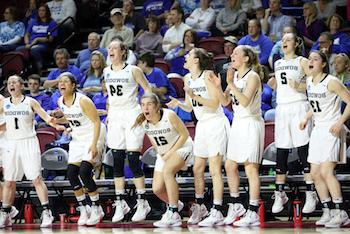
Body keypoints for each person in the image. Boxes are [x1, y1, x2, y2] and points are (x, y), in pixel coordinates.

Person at [167, 48, 230, 226]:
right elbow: (189, 107)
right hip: (201, 124)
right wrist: (178, 104)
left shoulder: (208, 75)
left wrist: (195, 96)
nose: (185, 58)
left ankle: (217, 210)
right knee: (197, 169)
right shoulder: (187, 79)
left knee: (215, 169)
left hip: (216, 122)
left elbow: (216, 103)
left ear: (196, 60)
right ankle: (201, 206)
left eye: (188, 56)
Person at [208, 45, 264, 226]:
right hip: (238, 122)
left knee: (250, 169)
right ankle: (236, 205)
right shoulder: (235, 77)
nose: (231, 55)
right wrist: (219, 87)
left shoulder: (252, 76)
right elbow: (225, 103)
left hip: (251, 121)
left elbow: (246, 101)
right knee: (230, 165)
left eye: (236, 53)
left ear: (246, 58)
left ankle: (254, 211)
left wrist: (230, 83)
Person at [0, 75, 65, 228]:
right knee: (9, 182)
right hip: (12, 144)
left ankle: (46, 212)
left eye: (14, 82)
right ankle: (5, 213)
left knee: (36, 179)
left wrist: (56, 124)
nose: (11, 84)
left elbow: (46, 117)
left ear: (22, 85)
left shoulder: (30, 102)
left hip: (28, 142)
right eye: (9, 83)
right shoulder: (4, 104)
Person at [300, 50, 350, 228]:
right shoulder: (309, 82)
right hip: (318, 130)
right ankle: (328, 209)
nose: (311, 61)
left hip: (332, 129)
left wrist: (340, 122)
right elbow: (316, 106)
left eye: (315, 59)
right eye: (310, 59)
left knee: (326, 172)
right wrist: (306, 117)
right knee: (314, 173)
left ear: (323, 64)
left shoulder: (332, 81)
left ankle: (341, 211)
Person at [269, 32, 317, 215]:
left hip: (299, 106)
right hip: (282, 108)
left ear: (297, 43)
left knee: (303, 148)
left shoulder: (302, 61)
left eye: (288, 40)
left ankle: (311, 192)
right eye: (283, 40)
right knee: (281, 149)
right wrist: (273, 84)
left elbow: (315, 82)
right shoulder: (278, 63)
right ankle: (279, 192)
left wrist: (299, 86)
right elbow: (279, 85)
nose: (284, 42)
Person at [104, 40, 152, 222]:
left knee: (132, 159)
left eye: (115, 48)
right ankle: (120, 201)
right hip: (115, 116)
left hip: (132, 114)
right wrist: (109, 113)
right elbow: (110, 95)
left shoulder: (133, 70)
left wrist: (145, 111)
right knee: (116, 159)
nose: (111, 51)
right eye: (109, 48)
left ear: (124, 52)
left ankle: (142, 201)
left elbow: (148, 89)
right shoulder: (106, 71)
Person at [133, 93, 193, 227]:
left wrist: (170, 153)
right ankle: (176, 203)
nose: (145, 108)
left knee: (168, 172)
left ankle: (173, 212)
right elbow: (155, 142)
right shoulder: (144, 123)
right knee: (157, 189)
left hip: (183, 147)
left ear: (157, 106)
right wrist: (161, 153)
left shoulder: (169, 115)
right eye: (143, 105)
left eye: (149, 104)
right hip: (165, 152)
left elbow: (185, 135)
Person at [56, 72, 106, 226]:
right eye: (60, 81)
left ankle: (97, 208)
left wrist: (94, 144)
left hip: (93, 134)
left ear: (73, 85)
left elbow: (96, 122)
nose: (62, 84)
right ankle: (84, 208)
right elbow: (71, 118)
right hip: (77, 138)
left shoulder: (83, 100)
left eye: (66, 81)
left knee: (84, 171)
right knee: (71, 173)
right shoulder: (60, 101)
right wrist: (58, 120)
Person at [17, 4, 57, 74]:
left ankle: (40, 68)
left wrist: (37, 40)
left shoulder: (52, 23)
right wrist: (27, 43)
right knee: (18, 49)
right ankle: (23, 70)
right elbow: (27, 34)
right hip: (30, 44)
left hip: (44, 45)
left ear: (47, 12)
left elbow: (50, 39)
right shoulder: (33, 22)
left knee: (35, 49)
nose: (41, 12)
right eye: (39, 11)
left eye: (43, 10)